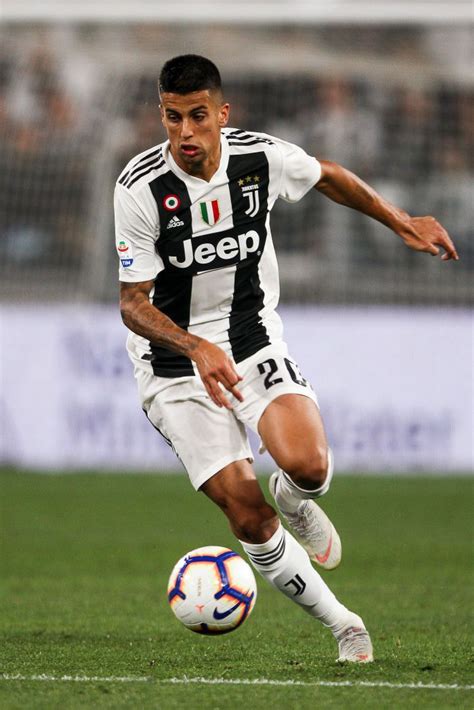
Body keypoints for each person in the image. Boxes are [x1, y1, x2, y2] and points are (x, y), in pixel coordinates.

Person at [114, 55, 458, 663]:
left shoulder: (259, 157)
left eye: (198, 116)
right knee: (246, 515)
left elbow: (326, 175)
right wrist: (194, 346)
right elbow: (132, 304)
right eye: (173, 118)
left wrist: (399, 221)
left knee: (310, 465)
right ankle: (346, 624)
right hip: (173, 360)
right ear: (161, 115)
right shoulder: (140, 189)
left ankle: (296, 497)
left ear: (223, 113)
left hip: (249, 336)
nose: (186, 133)